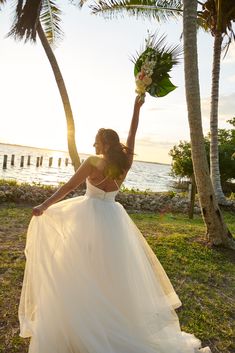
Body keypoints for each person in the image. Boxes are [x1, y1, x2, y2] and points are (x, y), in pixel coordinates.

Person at [19, 96, 211, 353]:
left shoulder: (92, 162)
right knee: (110, 274)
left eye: (96, 141)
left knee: (78, 268)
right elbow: (132, 135)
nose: (93, 144)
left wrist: (44, 205)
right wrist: (136, 108)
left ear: (105, 143)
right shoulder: (126, 162)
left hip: (88, 217)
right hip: (113, 220)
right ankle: (106, 319)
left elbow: (68, 187)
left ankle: (84, 320)